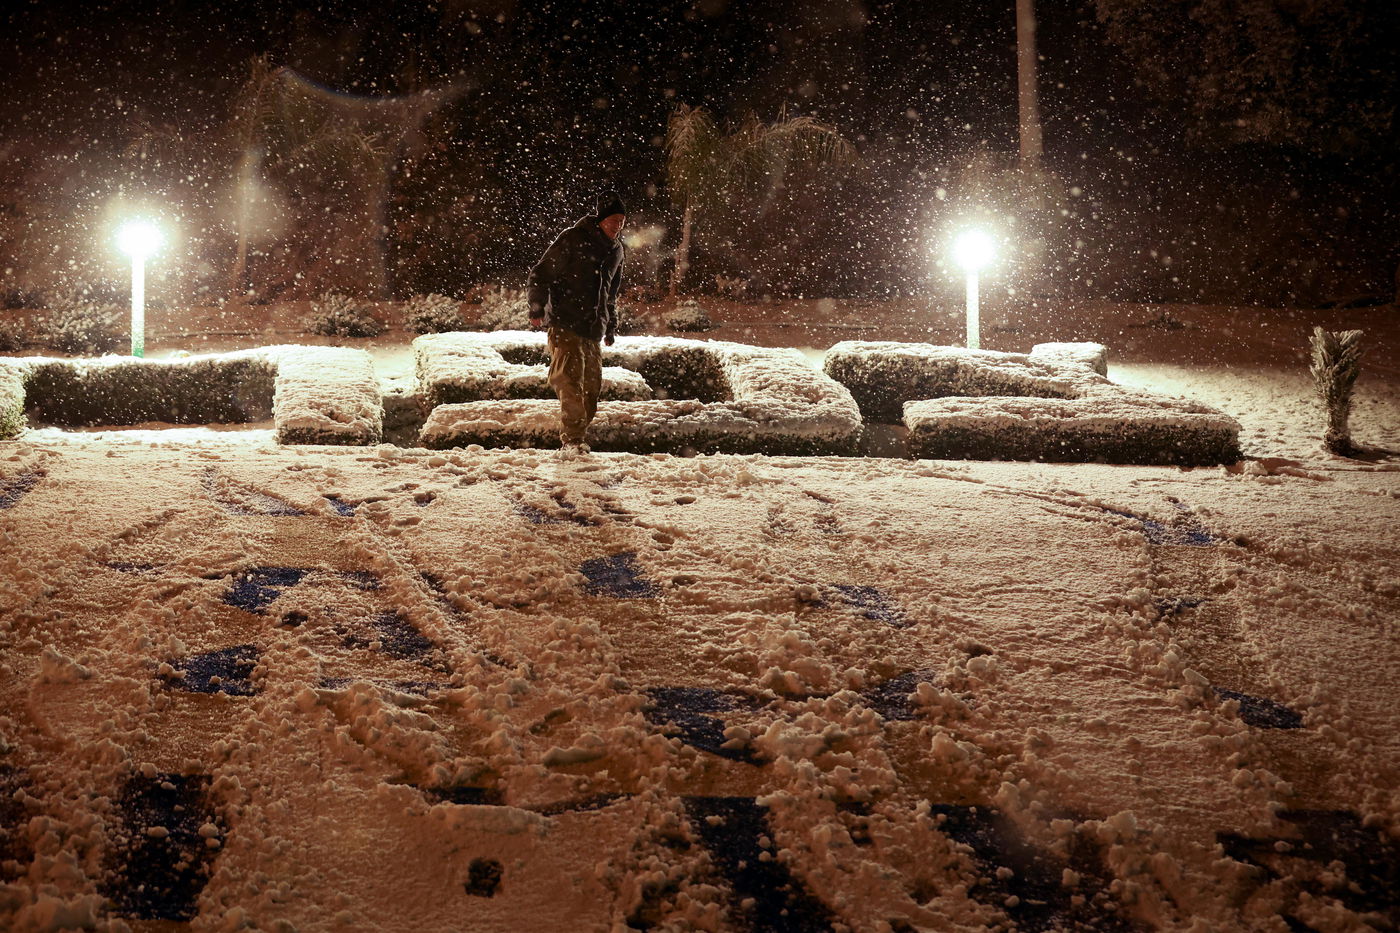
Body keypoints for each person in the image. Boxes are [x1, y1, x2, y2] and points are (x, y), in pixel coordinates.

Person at [527, 191, 627, 455]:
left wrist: (611, 325)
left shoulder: (616, 250)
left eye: (622, 220)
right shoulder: (573, 239)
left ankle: (577, 436)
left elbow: (610, 292)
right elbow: (540, 274)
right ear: (601, 219)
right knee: (569, 381)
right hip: (565, 321)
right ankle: (572, 441)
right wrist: (537, 307)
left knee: (591, 388)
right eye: (613, 220)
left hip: (593, 328)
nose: (617, 225)